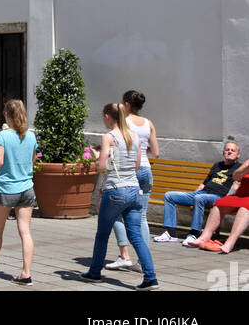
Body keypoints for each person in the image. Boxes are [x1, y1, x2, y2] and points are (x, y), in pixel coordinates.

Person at [81, 102, 158, 289]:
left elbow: (101, 167)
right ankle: (150, 277)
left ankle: (95, 272)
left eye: (103, 117)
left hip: (115, 190)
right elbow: (137, 165)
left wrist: (98, 155)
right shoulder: (135, 136)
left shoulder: (108, 137)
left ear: (108, 116)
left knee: (102, 234)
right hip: (134, 190)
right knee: (136, 236)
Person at [0, 99, 36, 285]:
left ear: (7, 115)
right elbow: (33, 162)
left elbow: (0, 162)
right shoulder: (31, 135)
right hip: (27, 188)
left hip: (7, 189)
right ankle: (26, 273)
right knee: (25, 232)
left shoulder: (3, 136)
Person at [106, 88, 159, 270]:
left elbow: (118, 145)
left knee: (114, 214)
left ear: (126, 105)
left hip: (128, 172)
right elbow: (156, 152)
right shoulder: (148, 123)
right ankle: (142, 262)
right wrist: (143, 152)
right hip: (146, 170)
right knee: (142, 216)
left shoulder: (124, 122)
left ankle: (124, 255)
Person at [153, 138, 241, 244]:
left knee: (199, 198)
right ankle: (171, 233)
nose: (229, 151)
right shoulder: (217, 165)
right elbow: (204, 183)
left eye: (232, 150)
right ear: (223, 153)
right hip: (202, 194)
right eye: (227, 149)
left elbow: (236, 187)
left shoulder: (239, 168)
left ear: (238, 155)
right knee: (169, 196)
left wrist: (226, 201)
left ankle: (194, 233)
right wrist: (194, 194)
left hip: (218, 197)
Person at [189, 151, 249, 253]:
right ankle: (204, 237)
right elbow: (235, 177)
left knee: (245, 208)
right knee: (220, 203)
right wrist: (245, 168)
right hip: (240, 195)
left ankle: (230, 243)